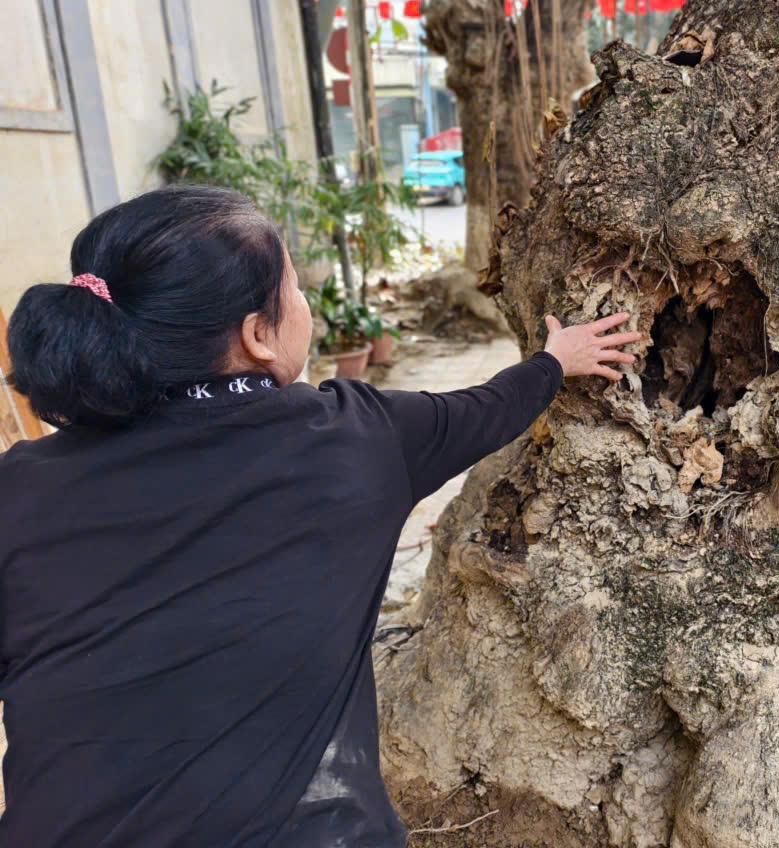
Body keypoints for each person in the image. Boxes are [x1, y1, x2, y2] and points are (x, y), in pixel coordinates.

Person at [0, 186, 640, 847]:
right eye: (296, 291)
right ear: (257, 335)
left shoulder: (16, 490)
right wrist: (555, 363)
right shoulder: (352, 441)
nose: (305, 306)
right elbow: (482, 411)